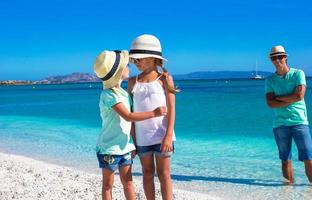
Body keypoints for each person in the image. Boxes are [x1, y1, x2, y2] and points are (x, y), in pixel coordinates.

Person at [93, 50, 167, 200]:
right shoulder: (108, 95)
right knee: (108, 185)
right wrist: (154, 113)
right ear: (119, 72)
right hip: (109, 148)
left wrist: (132, 143)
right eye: (126, 65)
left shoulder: (123, 93)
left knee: (128, 182)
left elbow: (131, 121)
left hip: (125, 147)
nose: (130, 67)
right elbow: (128, 116)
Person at [128, 34, 178, 200]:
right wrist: (132, 141)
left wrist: (168, 136)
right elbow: (131, 114)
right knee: (147, 173)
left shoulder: (165, 79)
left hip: (162, 135)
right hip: (142, 138)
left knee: (164, 175)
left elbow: (171, 109)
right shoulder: (132, 82)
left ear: (152, 58)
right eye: (134, 60)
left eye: (138, 59)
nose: (135, 62)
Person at [265, 45, 312, 184]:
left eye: (280, 56)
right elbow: (270, 103)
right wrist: (288, 98)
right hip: (280, 124)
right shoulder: (270, 80)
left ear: (285, 57)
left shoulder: (298, 74)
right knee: (285, 160)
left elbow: (299, 96)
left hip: (299, 122)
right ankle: (288, 192)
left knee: (308, 158)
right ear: (271, 60)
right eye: (274, 58)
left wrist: (279, 98)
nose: (277, 60)